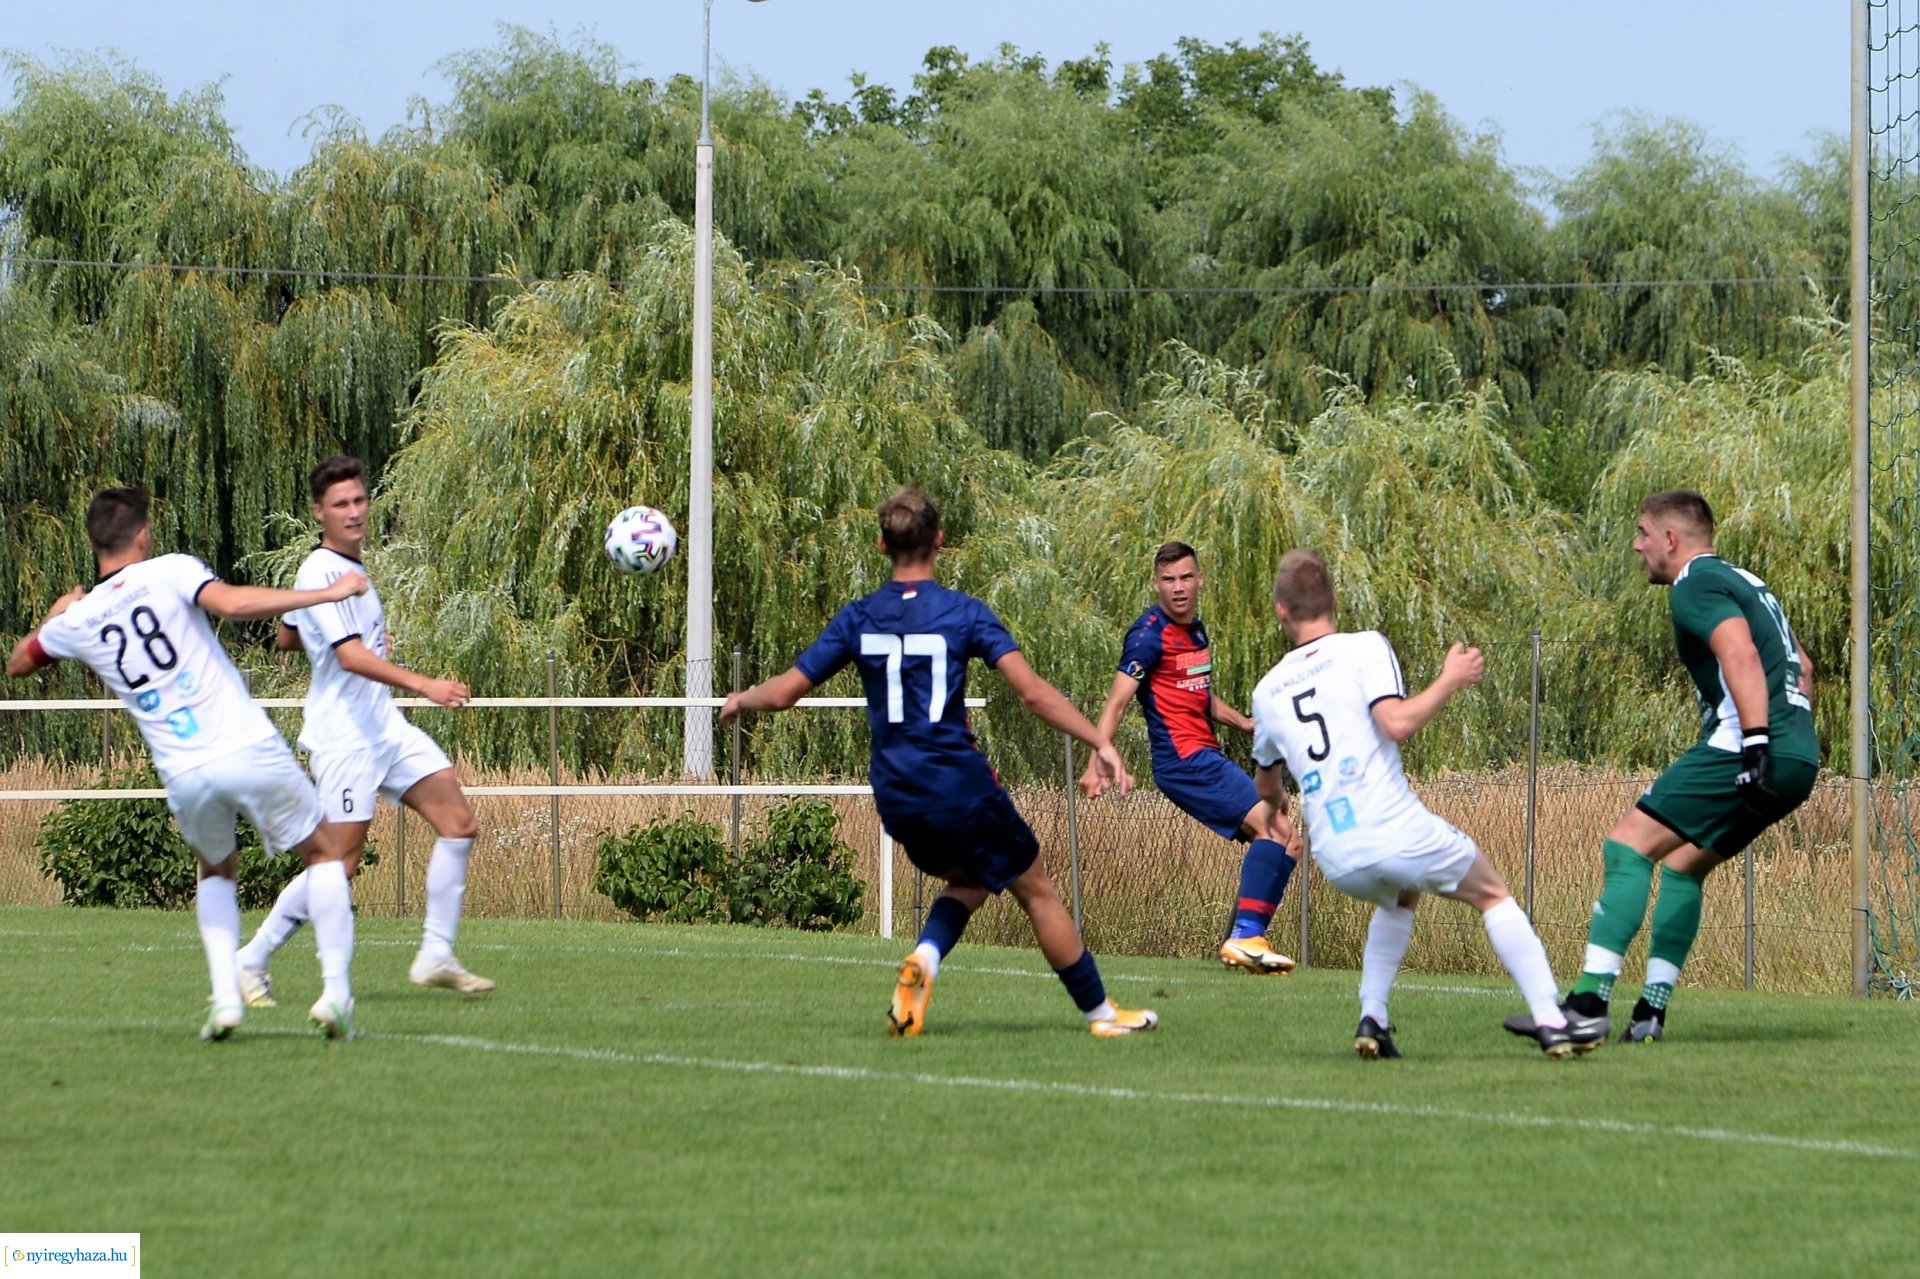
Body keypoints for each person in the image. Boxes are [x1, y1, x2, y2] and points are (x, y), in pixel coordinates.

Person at [720, 488, 1158, 1039]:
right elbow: (1033, 694)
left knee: (973, 878)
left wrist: (742, 698)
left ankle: (925, 958)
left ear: (883, 545)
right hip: (960, 785)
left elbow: (784, 693)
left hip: (899, 799)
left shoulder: (859, 618)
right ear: (940, 541)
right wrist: (1100, 739)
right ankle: (1100, 1014)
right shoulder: (964, 614)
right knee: (1036, 886)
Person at [7, 487, 368, 1040]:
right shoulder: (171, 569)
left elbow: (19, 663)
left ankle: (226, 997)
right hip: (244, 743)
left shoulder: (78, 619)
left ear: (95, 541)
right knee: (325, 854)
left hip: (182, 771)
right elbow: (231, 604)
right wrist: (324, 595)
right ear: (143, 535)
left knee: (217, 870)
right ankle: (336, 993)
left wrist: (54, 615)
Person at [1249, 548, 1603, 1059]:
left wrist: (1278, 804)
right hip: (1390, 827)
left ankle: (1373, 1017)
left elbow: (1266, 785)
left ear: (1281, 610)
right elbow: (1396, 722)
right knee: (1494, 894)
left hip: (1334, 853)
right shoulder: (1365, 646)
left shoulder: (1267, 691)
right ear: (1337, 600)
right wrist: (1450, 678)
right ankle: (1551, 1018)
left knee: (1401, 896)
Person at [1554, 490, 1818, 1043]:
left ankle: (1587, 1003)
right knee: (1682, 866)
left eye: (1643, 532)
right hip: (1799, 753)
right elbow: (1804, 667)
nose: (1637, 544)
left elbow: (1740, 654)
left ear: (1670, 539)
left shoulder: (1693, 582)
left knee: (1627, 845)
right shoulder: (1749, 582)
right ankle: (1650, 1013)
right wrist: (1784, 742)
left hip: (1751, 747)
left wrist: (1754, 744)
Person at [235, 456, 494, 1005]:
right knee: (341, 865)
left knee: (458, 823)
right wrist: (422, 683)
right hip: (345, 739)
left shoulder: (352, 571)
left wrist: (358, 641)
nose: (354, 512)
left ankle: (436, 954)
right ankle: (250, 959)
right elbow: (350, 658)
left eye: (358, 500)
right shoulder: (320, 572)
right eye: (340, 504)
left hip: (384, 729)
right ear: (320, 513)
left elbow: (286, 639)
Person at [1080, 541, 1301, 975]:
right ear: (1155, 584)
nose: (1178, 587)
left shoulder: (1194, 630)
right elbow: (1118, 703)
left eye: (1185, 577)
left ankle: (1244, 939)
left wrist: (1242, 722)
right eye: (1168, 579)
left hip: (1203, 753)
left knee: (1288, 837)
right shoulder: (1148, 635)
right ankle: (1245, 938)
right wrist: (1098, 756)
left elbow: (1195, 692)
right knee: (1275, 828)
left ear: (1200, 579)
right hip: (1184, 761)